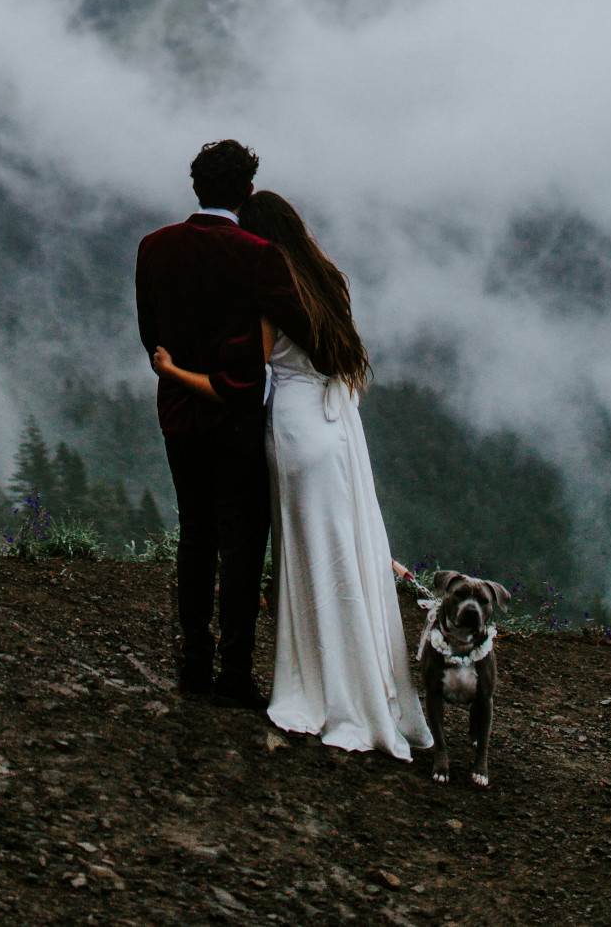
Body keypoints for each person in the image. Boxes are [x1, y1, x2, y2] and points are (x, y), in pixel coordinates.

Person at [154, 188, 430, 762]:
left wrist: (174, 370)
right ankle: (364, 683)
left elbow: (245, 378)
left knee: (309, 564)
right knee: (343, 554)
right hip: (336, 431)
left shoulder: (267, 291)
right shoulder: (326, 283)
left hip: (295, 431)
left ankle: (323, 688)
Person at [135, 139, 310, 706]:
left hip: (178, 414)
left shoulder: (153, 248)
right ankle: (235, 673)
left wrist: (178, 370)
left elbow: (150, 335)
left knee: (195, 534)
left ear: (196, 188)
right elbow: (299, 328)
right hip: (236, 421)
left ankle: (192, 664)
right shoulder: (260, 256)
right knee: (242, 543)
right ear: (248, 192)